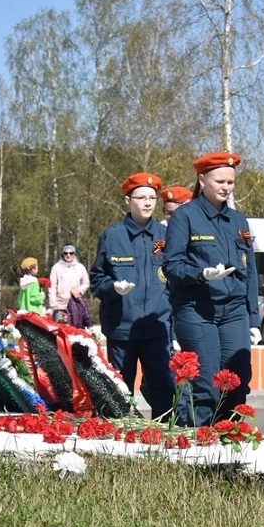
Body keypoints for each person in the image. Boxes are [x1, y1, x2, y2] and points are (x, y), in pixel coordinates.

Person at [163, 152, 260, 426]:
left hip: (234, 311)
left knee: (236, 381)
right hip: (197, 309)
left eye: (230, 182)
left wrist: (253, 318)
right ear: (202, 180)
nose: (226, 187)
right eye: (220, 181)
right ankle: (197, 443)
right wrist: (201, 274)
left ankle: (227, 438)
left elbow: (249, 271)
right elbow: (171, 265)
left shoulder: (238, 221)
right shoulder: (185, 217)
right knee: (206, 383)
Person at [88, 173, 180, 420]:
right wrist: (113, 288)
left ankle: (165, 441)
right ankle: (117, 439)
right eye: (141, 197)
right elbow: (96, 280)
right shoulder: (112, 236)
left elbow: (176, 280)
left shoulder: (167, 234)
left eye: (152, 198)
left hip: (158, 327)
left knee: (163, 389)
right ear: (128, 201)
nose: (148, 203)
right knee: (118, 390)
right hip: (122, 327)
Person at [48, 244, 90, 327]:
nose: (68, 255)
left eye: (71, 253)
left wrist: (79, 290)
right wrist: (53, 304)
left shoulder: (80, 267)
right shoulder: (56, 268)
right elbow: (52, 286)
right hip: (60, 306)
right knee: (60, 331)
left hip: (75, 305)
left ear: (74, 254)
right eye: (66, 253)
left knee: (75, 331)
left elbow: (86, 283)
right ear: (62, 254)